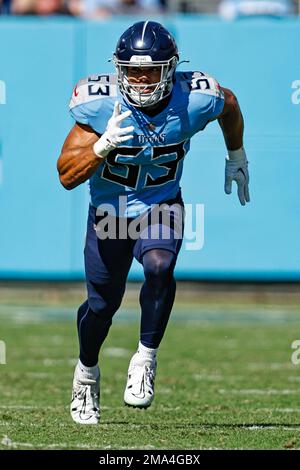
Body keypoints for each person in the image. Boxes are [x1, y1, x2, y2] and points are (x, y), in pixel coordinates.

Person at [57, 20, 250, 425]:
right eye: (132, 71)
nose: (142, 79)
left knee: (160, 266)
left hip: (160, 204)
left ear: (171, 68)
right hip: (109, 213)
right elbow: (66, 175)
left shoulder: (195, 98)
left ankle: (145, 358)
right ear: (118, 70)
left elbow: (229, 104)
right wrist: (101, 145)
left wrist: (237, 155)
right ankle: (86, 374)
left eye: (152, 70)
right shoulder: (97, 105)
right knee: (101, 305)